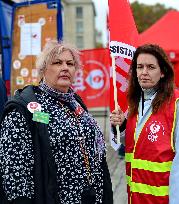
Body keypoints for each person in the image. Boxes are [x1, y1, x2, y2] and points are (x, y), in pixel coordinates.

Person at [0, 40, 113, 204]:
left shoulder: (76, 102)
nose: (65, 67)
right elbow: (15, 172)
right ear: (44, 69)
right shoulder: (26, 107)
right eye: (57, 63)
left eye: (70, 63)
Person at [110, 44, 179, 204]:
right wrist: (122, 125)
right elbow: (139, 145)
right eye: (139, 67)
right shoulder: (134, 103)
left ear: (162, 72)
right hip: (139, 199)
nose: (144, 72)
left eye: (151, 67)